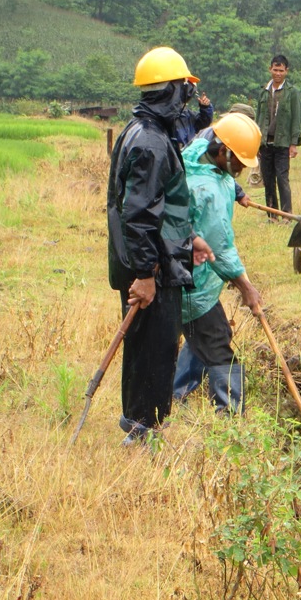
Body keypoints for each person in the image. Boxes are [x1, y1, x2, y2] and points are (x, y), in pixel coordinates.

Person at [107, 46, 214, 446]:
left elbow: (162, 208)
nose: (186, 99)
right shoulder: (151, 142)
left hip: (151, 262)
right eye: (183, 91)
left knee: (144, 349)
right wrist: (146, 274)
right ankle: (143, 436)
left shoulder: (143, 132)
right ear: (170, 91)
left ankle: (139, 428)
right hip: (150, 270)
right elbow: (137, 217)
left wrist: (190, 240)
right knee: (153, 353)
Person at [172, 112, 264, 413]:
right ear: (223, 151)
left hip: (186, 277)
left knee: (208, 336)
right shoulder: (206, 191)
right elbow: (219, 249)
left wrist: (236, 190)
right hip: (192, 284)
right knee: (219, 349)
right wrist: (245, 287)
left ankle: (177, 394)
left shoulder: (199, 151)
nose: (239, 170)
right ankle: (230, 422)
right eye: (238, 162)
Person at [255, 54, 301, 216]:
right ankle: (272, 215)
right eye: (275, 70)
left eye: (281, 70)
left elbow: (296, 118)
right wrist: (255, 143)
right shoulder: (263, 92)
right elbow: (258, 118)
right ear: (270, 69)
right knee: (268, 180)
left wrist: (294, 143)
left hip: (282, 143)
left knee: (282, 179)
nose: (278, 73)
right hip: (265, 143)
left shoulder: (292, 92)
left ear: (286, 71)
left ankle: (287, 214)